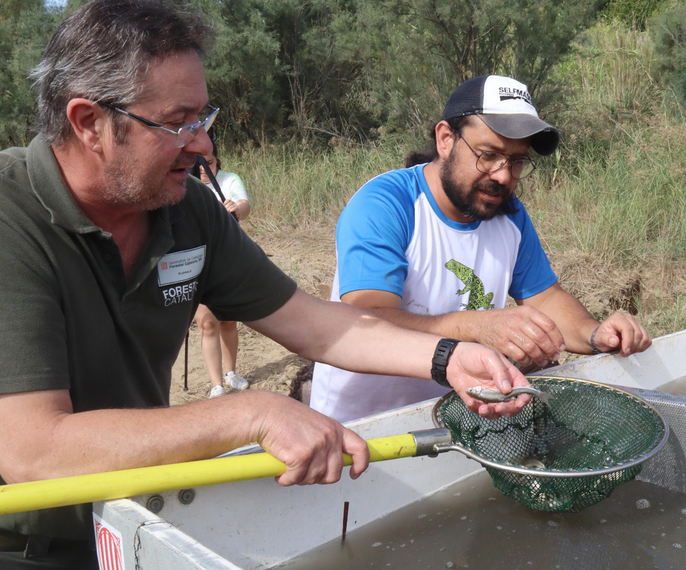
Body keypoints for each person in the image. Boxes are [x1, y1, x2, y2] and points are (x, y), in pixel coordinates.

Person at [0, 2, 529, 567]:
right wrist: (251, 412)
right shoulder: (12, 217)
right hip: (25, 541)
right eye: (178, 122)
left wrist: (448, 357)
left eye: (204, 118)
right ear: (89, 123)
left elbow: (313, 325)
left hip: (133, 513)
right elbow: (34, 452)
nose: (203, 144)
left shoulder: (187, 211)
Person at [310, 75, 653, 423]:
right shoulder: (387, 204)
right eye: (488, 155)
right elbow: (368, 320)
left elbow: (546, 299)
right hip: (362, 427)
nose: (503, 176)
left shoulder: (508, 214)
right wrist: (477, 328)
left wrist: (595, 333)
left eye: (517, 161)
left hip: (461, 418)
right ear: (446, 139)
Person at [189, 140, 252, 397]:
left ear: (217, 161)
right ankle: (217, 385)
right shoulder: (184, 185)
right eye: (199, 164)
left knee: (228, 320)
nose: (204, 169)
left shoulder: (228, 180)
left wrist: (236, 208)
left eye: (210, 162)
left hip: (227, 258)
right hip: (198, 262)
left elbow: (244, 207)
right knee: (207, 324)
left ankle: (231, 373)